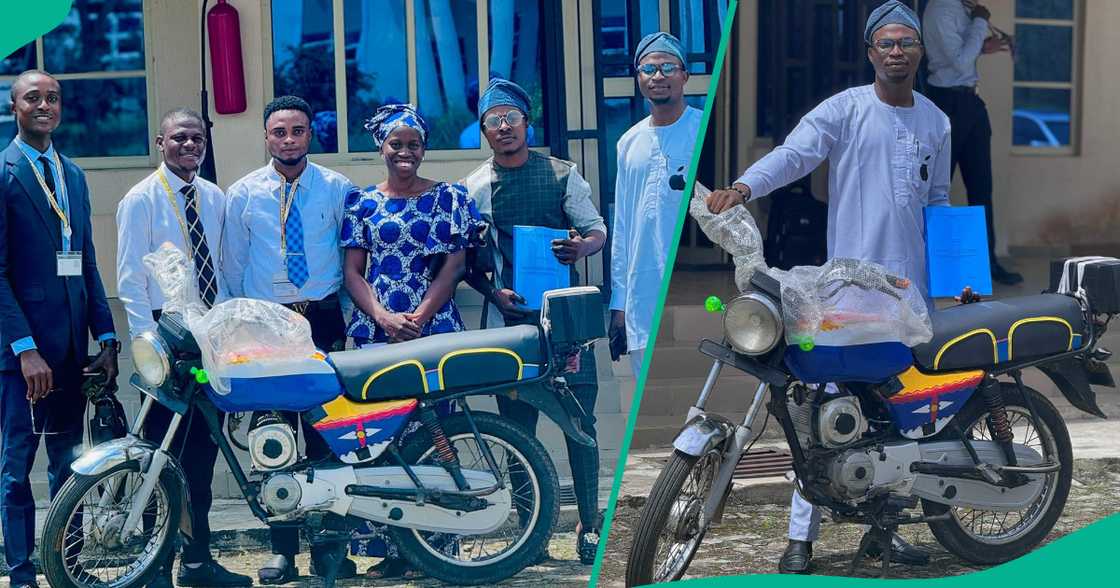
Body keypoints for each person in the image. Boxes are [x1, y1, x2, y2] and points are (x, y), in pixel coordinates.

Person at [706, 1, 948, 574]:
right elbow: (794, 155)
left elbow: (938, 204)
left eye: (905, 43)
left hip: (910, 295)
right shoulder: (845, 109)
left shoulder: (936, 121)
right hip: (846, 292)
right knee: (826, 409)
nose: (896, 52)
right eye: (885, 43)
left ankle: (887, 531)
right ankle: (800, 538)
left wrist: (961, 280)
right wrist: (743, 187)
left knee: (911, 414)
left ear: (920, 52)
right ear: (870, 52)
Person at [460, 78, 607, 565]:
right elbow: (468, 260)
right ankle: (531, 534)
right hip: (512, 324)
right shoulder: (475, 187)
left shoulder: (564, 174)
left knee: (581, 426)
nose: (503, 128)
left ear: (527, 122)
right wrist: (490, 290)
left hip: (566, 321)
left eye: (511, 118)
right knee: (516, 428)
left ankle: (590, 526)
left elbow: (595, 231)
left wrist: (581, 247)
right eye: (493, 121)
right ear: (483, 130)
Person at [343, 103, 485, 579]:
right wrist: (383, 316)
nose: (406, 152)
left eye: (415, 144)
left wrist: (419, 317)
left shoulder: (450, 198)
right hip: (376, 334)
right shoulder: (360, 203)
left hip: (433, 331)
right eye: (396, 143)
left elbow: (455, 266)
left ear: (424, 148)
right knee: (382, 439)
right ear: (381, 147)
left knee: (437, 434)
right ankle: (390, 549)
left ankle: (440, 543)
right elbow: (352, 273)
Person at [222, 95, 358, 584]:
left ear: (309, 135)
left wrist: (344, 327)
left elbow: (350, 264)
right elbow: (232, 271)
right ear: (266, 137)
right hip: (267, 328)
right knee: (273, 442)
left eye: (297, 131)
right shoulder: (243, 194)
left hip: (322, 324)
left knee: (329, 438)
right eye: (279, 132)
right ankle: (283, 551)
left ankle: (332, 550)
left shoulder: (337, 188)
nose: (288, 140)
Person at [114, 108, 251, 587]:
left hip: (207, 341)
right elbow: (130, 281)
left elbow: (226, 270)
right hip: (165, 340)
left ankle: (197, 564)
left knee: (199, 459)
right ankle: (152, 568)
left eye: (196, 138)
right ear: (160, 142)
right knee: (157, 457)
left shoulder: (214, 196)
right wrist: (147, 347)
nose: (189, 145)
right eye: (179, 138)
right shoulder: (141, 199)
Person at [0, 69, 119, 588]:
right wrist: (25, 349)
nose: (44, 105)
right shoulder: (5, 173)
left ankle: (66, 566)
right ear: (14, 106)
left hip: (72, 351)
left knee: (69, 465)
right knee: (16, 467)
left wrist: (108, 338)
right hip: (23, 358)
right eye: (33, 98)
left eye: (52, 97)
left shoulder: (72, 174)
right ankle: (22, 572)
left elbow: (86, 261)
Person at [610, 32, 703, 378]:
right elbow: (622, 227)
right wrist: (618, 303)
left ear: (685, 75)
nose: (658, 76)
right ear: (638, 78)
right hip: (642, 297)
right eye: (649, 69)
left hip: (693, 288)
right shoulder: (628, 143)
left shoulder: (700, 129)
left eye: (667, 67)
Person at [923, 0, 1020, 285]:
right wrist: (979, 23)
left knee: (982, 188)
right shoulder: (940, 9)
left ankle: (988, 264)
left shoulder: (962, 8)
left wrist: (981, 41)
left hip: (970, 101)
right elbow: (959, 60)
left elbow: (963, 53)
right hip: (947, 103)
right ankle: (935, 269)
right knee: (939, 190)